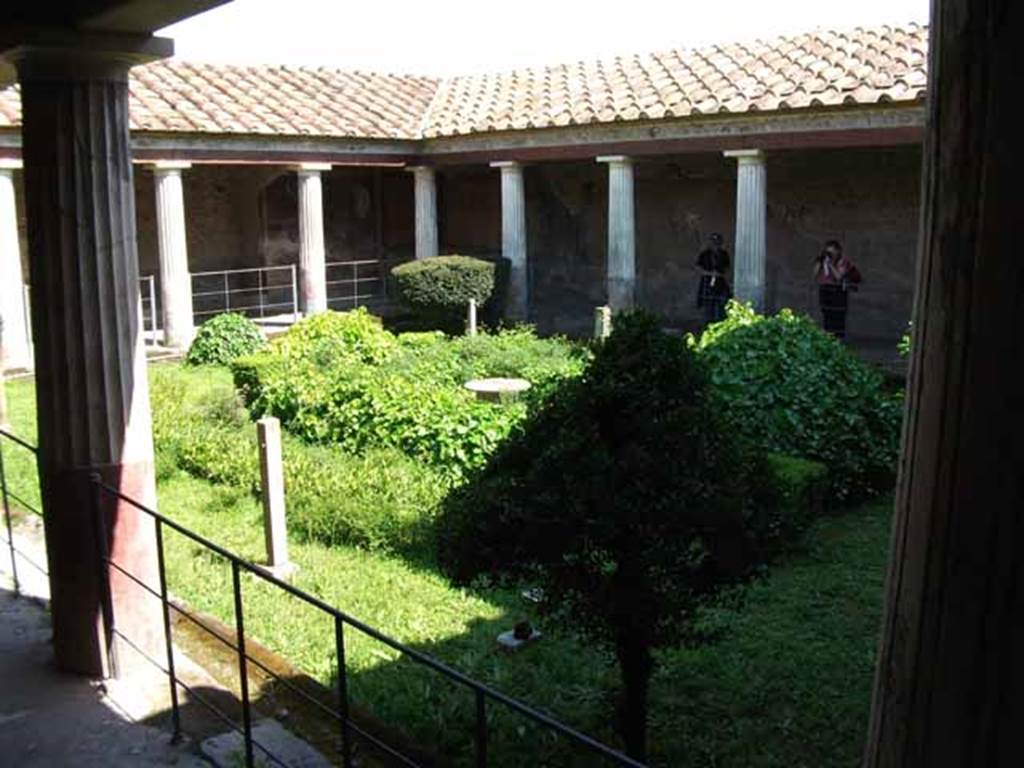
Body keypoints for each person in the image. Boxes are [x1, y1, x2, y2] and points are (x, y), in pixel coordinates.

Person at [815, 239, 862, 339]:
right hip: (825, 290)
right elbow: (815, 275)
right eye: (828, 252)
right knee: (827, 316)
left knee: (838, 318)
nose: (830, 255)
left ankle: (838, 339)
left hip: (837, 292)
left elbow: (839, 277)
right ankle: (827, 338)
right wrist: (820, 262)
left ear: (838, 251)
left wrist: (830, 265)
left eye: (831, 252)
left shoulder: (842, 262)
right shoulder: (824, 260)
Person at [696, 232, 732, 324]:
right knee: (708, 305)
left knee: (722, 304)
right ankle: (707, 324)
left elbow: (727, 269)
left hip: (720, 283)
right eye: (713, 242)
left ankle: (720, 323)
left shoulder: (724, 254)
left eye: (717, 242)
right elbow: (698, 269)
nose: (715, 244)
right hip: (707, 283)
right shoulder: (705, 254)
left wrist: (720, 275)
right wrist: (710, 273)